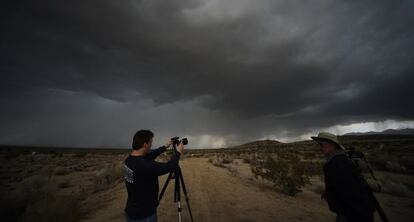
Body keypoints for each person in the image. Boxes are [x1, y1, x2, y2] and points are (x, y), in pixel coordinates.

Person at [311, 132, 375, 222]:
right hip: (351, 211)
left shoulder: (338, 163)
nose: (319, 148)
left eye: (321, 144)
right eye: (319, 145)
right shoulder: (339, 160)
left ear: (332, 145)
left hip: (353, 214)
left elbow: (351, 191)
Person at [124, 130, 184, 222]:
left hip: (131, 211)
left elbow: (150, 155)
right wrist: (178, 153)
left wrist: (165, 147)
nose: (151, 145)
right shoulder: (145, 166)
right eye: (150, 143)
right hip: (144, 216)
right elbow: (169, 166)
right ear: (145, 144)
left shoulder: (129, 160)